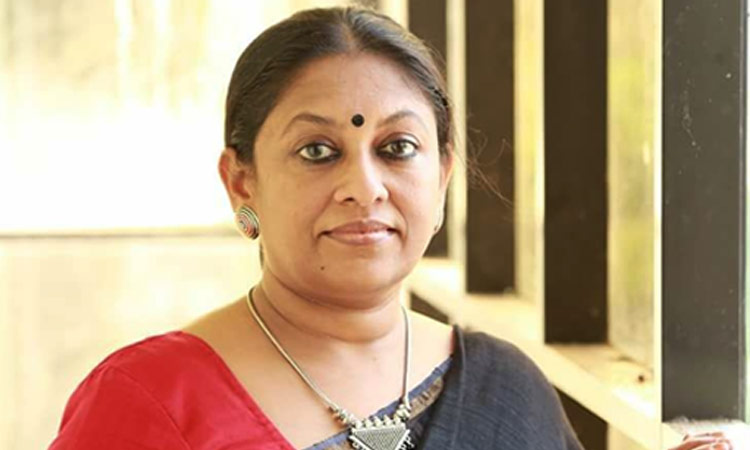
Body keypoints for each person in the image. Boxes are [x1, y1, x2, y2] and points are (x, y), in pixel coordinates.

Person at [49, 6, 732, 450]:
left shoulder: (504, 390)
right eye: (318, 151)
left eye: (397, 148)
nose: (364, 187)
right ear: (242, 182)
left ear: (442, 176)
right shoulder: (147, 402)